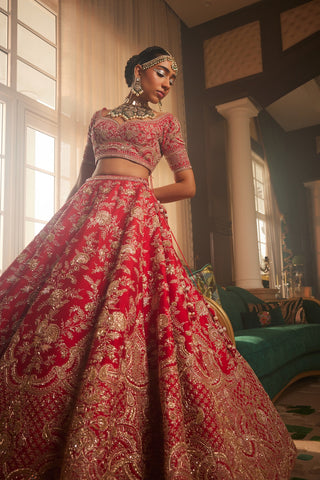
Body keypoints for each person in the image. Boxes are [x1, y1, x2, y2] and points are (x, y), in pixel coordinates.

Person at [0, 46, 295, 480]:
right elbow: (85, 178)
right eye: (161, 73)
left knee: (133, 315)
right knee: (60, 311)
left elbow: (187, 185)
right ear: (139, 72)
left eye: (173, 78)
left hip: (135, 223)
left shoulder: (166, 124)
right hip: (86, 218)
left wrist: (137, 196)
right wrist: (65, 218)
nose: (167, 84)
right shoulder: (100, 117)